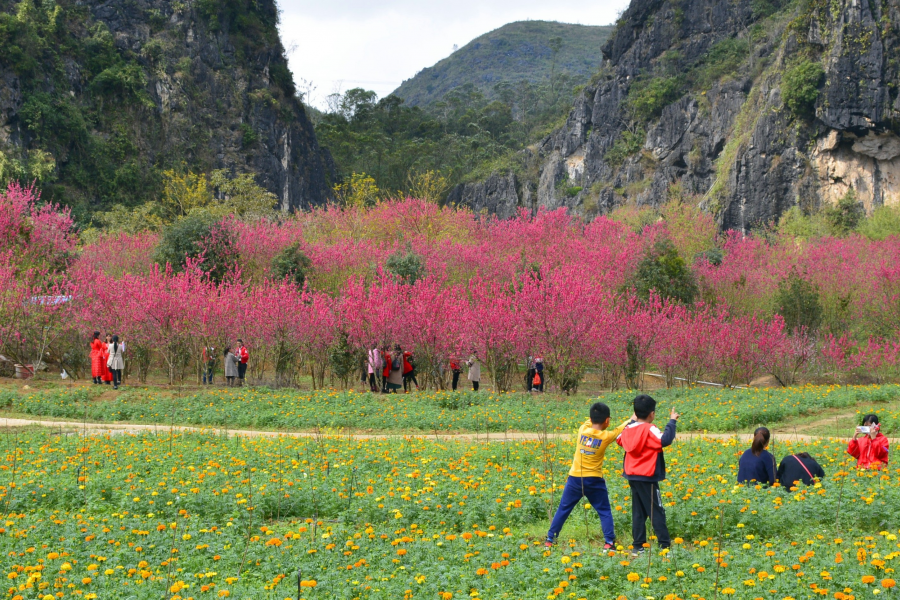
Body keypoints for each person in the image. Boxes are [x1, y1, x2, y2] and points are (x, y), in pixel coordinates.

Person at [546, 402, 634, 549]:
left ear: (591, 419)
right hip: (594, 480)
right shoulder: (606, 436)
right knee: (604, 510)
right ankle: (609, 543)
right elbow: (619, 429)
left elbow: (590, 421)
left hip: (575, 478)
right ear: (607, 420)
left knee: (563, 508)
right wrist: (631, 419)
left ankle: (550, 539)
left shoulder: (582, 429)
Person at [616, 394, 679, 554]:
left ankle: (638, 546)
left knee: (639, 511)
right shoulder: (650, 429)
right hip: (647, 476)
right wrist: (672, 421)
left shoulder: (629, 428)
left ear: (635, 413)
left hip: (632, 475)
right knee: (656, 510)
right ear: (652, 414)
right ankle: (665, 546)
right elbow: (665, 440)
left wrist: (631, 422)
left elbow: (618, 439)